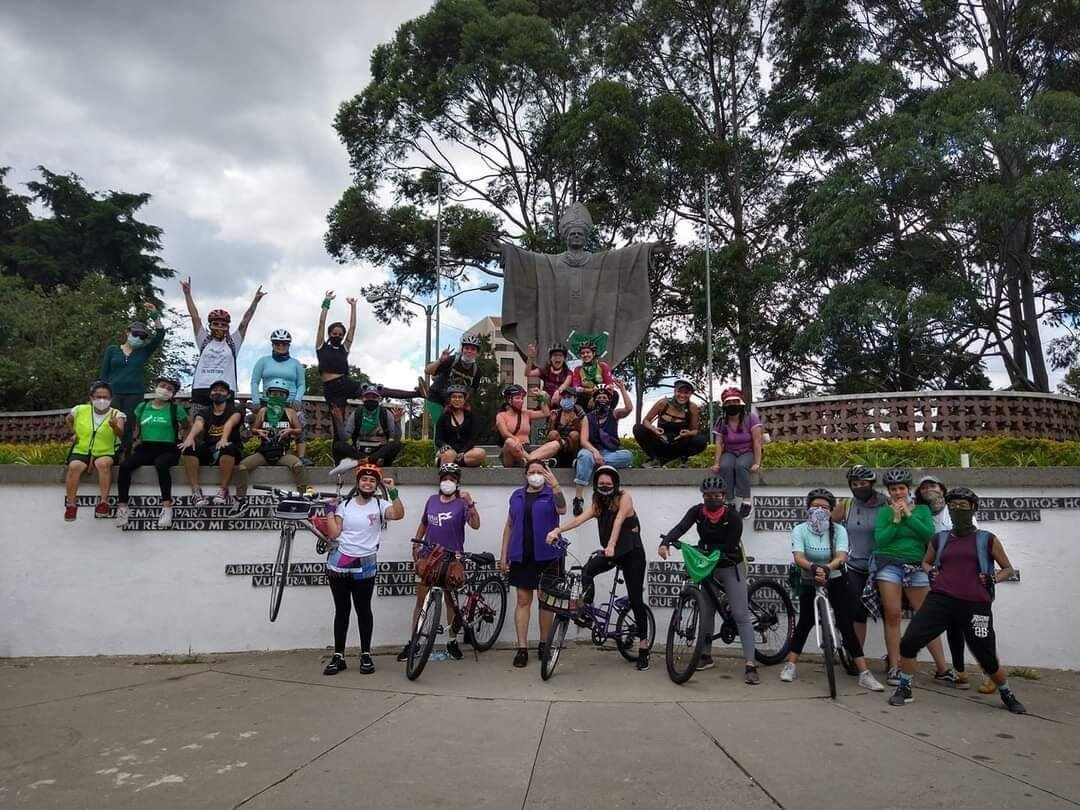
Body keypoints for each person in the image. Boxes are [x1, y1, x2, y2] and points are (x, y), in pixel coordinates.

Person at [888, 487, 1025, 714]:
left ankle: (1007, 693)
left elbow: (1008, 569)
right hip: (941, 600)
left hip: (976, 604)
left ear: (973, 508)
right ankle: (905, 688)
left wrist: (992, 578)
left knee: (987, 658)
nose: (957, 510)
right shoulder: (939, 539)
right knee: (910, 641)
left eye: (963, 506)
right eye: (952, 506)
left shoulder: (986, 539)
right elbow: (926, 562)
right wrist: (930, 571)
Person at [544, 466, 651, 670]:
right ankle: (586, 608)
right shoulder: (597, 503)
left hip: (631, 553)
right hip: (611, 553)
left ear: (615, 485)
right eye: (601, 484)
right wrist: (558, 530)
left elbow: (619, 522)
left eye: (608, 484)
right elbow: (578, 520)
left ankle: (644, 647)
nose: (604, 487)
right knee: (587, 571)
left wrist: (610, 545)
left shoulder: (624, 498)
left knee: (636, 599)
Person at [778, 488, 885, 691]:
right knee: (806, 621)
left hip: (835, 577)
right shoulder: (800, 530)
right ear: (808, 508)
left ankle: (864, 673)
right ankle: (790, 664)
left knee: (846, 623)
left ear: (831, 510)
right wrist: (813, 568)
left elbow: (842, 556)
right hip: (809, 578)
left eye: (825, 507)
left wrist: (827, 568)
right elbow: (798, 556)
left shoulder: (839, 530)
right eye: (815, 506)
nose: (819, 510)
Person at [659, 476, 761, 684]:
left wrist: (705, 550)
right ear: (703, 496)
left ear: (724, 496)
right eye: (708, 496)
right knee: (707, 610)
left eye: (716, 496)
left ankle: (751, 664)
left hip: (730, 564)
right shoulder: (697, 512)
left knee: (740, 613)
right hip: (707, 564)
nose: (712, 499)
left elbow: (730, 544)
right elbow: (681, 527)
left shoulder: (732, 516)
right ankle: (705, 655)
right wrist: (667, 542)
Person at [322, 463, 405, 676]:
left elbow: (397, 515)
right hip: (339, 563)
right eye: (364, 479)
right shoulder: (345, 505)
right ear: (358, 483)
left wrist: (394, 492)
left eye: (372, 481)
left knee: (363, 610)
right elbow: (333, 534)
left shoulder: (380, 505)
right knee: (342, 611)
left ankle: (366, 654)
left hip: (365, 564)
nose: (367, 483)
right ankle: (338, 656)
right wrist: (330, 513)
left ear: (376, 485)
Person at [874, 468, 952, 685]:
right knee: (892, 614)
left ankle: (942, 668)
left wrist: (908, 516)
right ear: (888, 492)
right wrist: (896, 520)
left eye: (901, 488)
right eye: (893, 489)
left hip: (916, 566)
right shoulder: (884, 512)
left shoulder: (923, 510)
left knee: (926, 617)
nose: (898, 493)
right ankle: (894, 665)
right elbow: (881, 540)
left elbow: (928, 536)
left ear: (908, 490)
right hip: (888, 564)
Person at [397, 464, 480, 663]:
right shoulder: (432, 500)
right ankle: (415, 641)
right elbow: (424, 523)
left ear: (458, 482)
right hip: (429, 556)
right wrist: (416, 545)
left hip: (452, 559)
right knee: (421, 600)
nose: (447, 482)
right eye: (444, 478)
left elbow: (475, 525)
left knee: (451, 601)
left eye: (452, 479)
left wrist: (470, 503)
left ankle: (452, 641)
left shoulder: (461, 503)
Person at [500, 462, 567, 668]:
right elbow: (510, 525)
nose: (535, 476)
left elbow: (562, 509)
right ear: (525, 474)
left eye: (539, 472)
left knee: (546, 601)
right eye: (532, 472)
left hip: (548, 555)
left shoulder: (551, 493)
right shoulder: (516, 496)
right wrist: (504, 554)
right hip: (522, 554)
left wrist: (555, 485)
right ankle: (521, 648)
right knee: (522, 599)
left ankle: (544, 643)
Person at [180, 276, 265, 422]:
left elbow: (245, 322)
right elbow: (195, 317)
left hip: (226, 390)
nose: (219, 327)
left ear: (227, 327)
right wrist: (187, 294)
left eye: (223, 325)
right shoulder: (204, 340)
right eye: (216, 324)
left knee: (222, 428)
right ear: (210, 326)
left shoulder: (233, 342)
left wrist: (255, 302)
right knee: (197, 426)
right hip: (202, 388)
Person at [916, 474, 972, 688]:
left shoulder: (956, 510)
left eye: (933, 485)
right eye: (923, 487)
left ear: (942, 488)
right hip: (932, 575)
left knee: (970, 625)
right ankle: (959, 671)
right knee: (947, 624)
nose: (928, 489)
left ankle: (988, 671)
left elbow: (971, 539)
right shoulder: (921, 513)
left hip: (960, 574)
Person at [316, 291, 417, 410]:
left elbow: (352, 327)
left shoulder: (344, 348)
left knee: (379, 390)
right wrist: (326, 302)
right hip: (331, 389)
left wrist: (353, 306)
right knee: (337, 419)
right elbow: (321, 323)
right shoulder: (321, 346)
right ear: (329, 334)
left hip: (346, 383)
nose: (337, 336)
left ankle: (417, 393)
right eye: (334, 334)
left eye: (340, 334)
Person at [115, 376, 188, 529]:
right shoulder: (142, 407)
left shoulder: (176, 409)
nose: (165, 390)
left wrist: (187, 442)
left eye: (170, 389)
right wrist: (135, 443)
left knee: (161, 464)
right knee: (125, 466)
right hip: (146, 447)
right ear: (155, 386)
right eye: (163, 386)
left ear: (173, 394)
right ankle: (122, 507)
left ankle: (167, 507)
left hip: (168, 449)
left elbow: (187, 425)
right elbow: (137, 429)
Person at [98, 303, 165, 457]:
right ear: (127, 332)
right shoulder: (112, 350)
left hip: (134, 394)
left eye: (142, 336)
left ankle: (125, 454)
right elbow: (104, 374)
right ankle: (108, 453)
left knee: (128, 425)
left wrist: (155, 315)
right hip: (113, 393)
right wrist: (101, 394)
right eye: (135, 334)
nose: (138, 338)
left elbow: (160, 335)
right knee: (111, 423)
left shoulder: (143, 351)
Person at [833, 465, 886, 649]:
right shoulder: (846, 505)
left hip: (883, 565)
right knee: (857, 610)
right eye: (854, 484)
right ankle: (857, 654)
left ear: (871, 484)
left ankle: (894, 659)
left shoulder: (886, 504)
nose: (858, 487)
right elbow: (830, 528)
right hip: (855, 565)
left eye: (863, 483)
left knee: (890, 612)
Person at [64, 380, 126, 520]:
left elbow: (121, 433)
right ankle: (71, 505)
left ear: (111, 398)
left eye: (106, 397)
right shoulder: (79, 410)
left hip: (106, 450)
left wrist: (114, 426)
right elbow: (68, 419)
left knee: (103, 465)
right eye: (98, 397)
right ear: (91, 398)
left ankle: (103, 502)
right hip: (82, 449)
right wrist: (73, 433)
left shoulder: (117, 414)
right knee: (74, 467)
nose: (102, 400)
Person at [237, 381, 312, 494]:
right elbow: (253, 429)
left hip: (283, 451)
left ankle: (303, 495)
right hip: (264, 452)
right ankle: (240, 497)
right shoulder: (263, 411)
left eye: (281, 395)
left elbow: (299, 430)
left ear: (286, 397)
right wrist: (259, 432)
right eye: (274, 394)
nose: (278, 397)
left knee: (298, 465)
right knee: (242, 466)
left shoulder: (290, 412)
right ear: (269, 395)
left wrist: (290, 430)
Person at [178, 379, 243, 507]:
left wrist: (224, 438)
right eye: (215, 390)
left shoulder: (235, 410)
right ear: (210, 394)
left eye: (222, 390)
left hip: (229, 449)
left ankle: (223, 489)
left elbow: (230, 423)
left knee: (227, 447)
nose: (218, 392)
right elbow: (198, 423)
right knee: (190, 447)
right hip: (210, 448)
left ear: (228, 395)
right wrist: (190, 437)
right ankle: (196, 491)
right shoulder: (204, 411)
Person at [571, 382, 633, 516]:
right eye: (599, 397)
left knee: (628, 456)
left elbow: (628, 408)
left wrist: (622, 389)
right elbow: (583, 440)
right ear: (594, 399)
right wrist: (595, 452)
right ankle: (578, 498)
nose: (602, 400)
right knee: (585, 455)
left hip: (610, 453)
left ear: (609, 400)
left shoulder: (614, 415)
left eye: (605, 397)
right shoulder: (588, 417)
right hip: (591, 450)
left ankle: (585, 464)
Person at [250, 329, 309, 464]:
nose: (281, 346)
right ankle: (265, 451)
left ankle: (301, 456)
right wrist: (255, 400)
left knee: (300, 421)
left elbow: (301, 383)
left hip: (290, 401)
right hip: (269, 400)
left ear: (289, 345)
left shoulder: (295, 363)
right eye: (277, 343)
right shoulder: (263, 361)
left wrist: (297, 399)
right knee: (265, 424)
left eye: (284, 344)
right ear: (272, 344)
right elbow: (254, 381)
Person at [710, 386, 762, 518]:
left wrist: (757, 463)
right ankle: (729, 501)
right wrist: (716, 463)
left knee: (741, 466)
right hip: (730, 451)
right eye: (729, 403)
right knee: (726, 466)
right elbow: (719, 443)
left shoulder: (751, 418)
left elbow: (757, 441)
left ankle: (746, 501)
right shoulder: (722, 421)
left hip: (747, 451)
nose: (732, 405)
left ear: (740, 403)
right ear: (724, 405)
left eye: (735, 402)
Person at [328, 384, 402, 474]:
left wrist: (397, 422)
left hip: (380, 452)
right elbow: (345, 438)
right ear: (363, 399)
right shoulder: (356, 414)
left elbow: (396, 437)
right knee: (338, 445)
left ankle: (365, 461)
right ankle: (370, 461)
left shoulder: (386, 414)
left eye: (374, 397)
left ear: (379, 399)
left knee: (396, 444)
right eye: (368, 397)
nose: (370, 399)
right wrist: (339, 421)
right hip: (360, 451)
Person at [633, 379, 708, 467]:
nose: (682, 395)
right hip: (661, 442)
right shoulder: (663, 403)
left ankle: (680, 459)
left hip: (679, 444)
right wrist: (653, 429)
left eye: (686, 393)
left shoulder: (692, 407)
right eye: (679, 392)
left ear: (690, 394)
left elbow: (695, 430)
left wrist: (688, 433)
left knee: (701, 440)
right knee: (638, 428)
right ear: (675, 391)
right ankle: (655, 459)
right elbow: (646, 421)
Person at [423, 333, 483, 426]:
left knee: (462, 425)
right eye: (466, 348)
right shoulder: (452, 360)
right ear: (462, 350)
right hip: (436, 398)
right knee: (441, 425)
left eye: (473, 349)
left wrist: (462, 403)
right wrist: (440, 360)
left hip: (453, 402)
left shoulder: (476, 371)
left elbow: (472, 389)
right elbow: (427, 371)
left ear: (477, 353)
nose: (469, 351)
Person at [495, 384, 560, 468]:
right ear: (509, 399)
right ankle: (534, 462)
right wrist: (516, 440)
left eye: (522, 398)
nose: (521, 401)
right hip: (511, 452)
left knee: (555, 444)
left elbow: (546, 413)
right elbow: (504, 433)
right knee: (509, 442)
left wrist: (541, 397)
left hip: (526, 452)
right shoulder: (501, 415)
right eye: (518, 398)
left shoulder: (526, 414)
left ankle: (529, 462)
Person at [434, 384, 486, 467]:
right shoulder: (444, 417)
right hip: (449, 450)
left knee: (480, 453)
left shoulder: (472, 416)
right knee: (448, 454)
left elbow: (473, 439)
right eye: (454, 397)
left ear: (464, 399)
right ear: (450, 399)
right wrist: (444, 446)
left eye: (460, 397)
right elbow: (438, 439)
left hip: (465, 452)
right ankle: (446, 474)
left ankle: (455, 464)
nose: (457, 399)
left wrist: (463, 451)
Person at [556, 338, 614, 408]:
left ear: (593, 353)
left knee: (615, 395)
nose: (585, 355)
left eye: (588, 352)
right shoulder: (578, 369)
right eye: (583, 353)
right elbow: (577, 388)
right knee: (576, 396)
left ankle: (609, 415)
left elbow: (610, 385)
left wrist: (595, 395)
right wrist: (591, 390)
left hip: (602, 396)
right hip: (585, 398)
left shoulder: (603, 366)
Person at [546, 386, 587, 468]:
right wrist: (552, 421)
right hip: (559, 442)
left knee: (574, 434)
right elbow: (549, 433)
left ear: (575, 399)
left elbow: (584, 433)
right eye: (564, 397)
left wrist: (576, 423)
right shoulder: (557, 413)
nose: (566, 400)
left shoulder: (580, 413)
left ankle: (575, 459)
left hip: (573, 444)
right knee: (553, 433)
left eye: (569, 397)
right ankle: (554, 459)